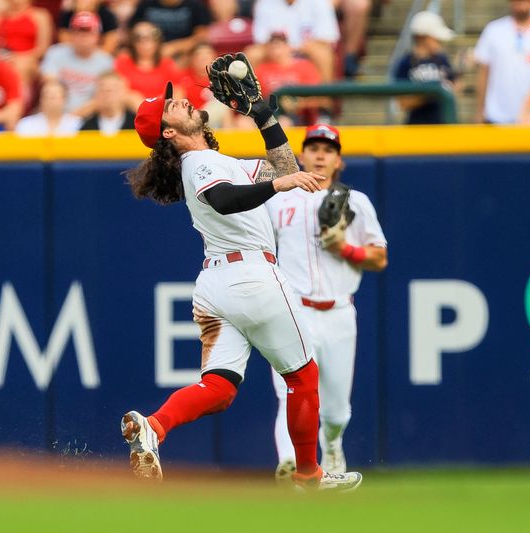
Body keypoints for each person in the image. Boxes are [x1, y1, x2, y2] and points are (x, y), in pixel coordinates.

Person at [120, 70, 362, 491]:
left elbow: (287, 168)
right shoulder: (197, 163)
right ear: (169, 132)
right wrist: (279, 184)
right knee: (302, 377)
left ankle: (154, 427)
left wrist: (262, 113)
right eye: (170, 107)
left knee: (220, 387)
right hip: (252, 276)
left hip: (217, 286)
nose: (179, 101)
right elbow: (225, 199)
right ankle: (309, 475)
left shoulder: (217, 161)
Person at [265, 123, 387, 480]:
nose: (320, 154)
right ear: (301, 156)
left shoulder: (356, 201)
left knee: (336, 412)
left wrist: (345, 248)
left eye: (328, 149)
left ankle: (331, 445)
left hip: (338, 313)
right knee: (291, 393)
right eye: (313, 148)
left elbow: (380, 257)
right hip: (293, 312)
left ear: (338, 162)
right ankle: (290, 462)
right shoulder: (280, 200)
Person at [474, 0, 530, 124]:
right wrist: (480, 111)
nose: (521, 2)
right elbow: (484, 73)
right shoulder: (493, 30)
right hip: (497, 118)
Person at [40, 11, 114, 116]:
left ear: (97, 36)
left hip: (90, 117)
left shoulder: (106, 61)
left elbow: (103, 95)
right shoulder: (55, 52)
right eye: (78, 31)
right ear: (71, 34)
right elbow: (50, 83)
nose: (83, 36)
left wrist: (75, 116)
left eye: (88, 31)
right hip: (57, 114)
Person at [392, 11, 457, 125]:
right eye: (436, 39)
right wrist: (432, 92)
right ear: (422, 37)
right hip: (417, 127)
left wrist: (461, 70)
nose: (440, 43)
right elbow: (402, 102)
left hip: (443, 126)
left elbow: (454, 87)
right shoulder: (405, 63)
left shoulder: (442, 60)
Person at [249, 0, 339, 82]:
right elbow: (262, 40)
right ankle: (252, 97)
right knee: (253, 54)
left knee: (323, 54)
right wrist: (280, 48)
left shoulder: (319, 2)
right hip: (275, 48)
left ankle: (324, 97)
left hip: (305, 49)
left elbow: (326, 38)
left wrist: (296, 47)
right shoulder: (264, 3)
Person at [255, 31, 322, 126]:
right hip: (268, 112)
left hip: (298, 116)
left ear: (288, 47)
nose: (276, 49)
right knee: (243, 123)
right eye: (272, 46)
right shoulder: (261, 68)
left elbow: (319, 99)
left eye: (279, 45)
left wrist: (298, 104)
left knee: (282, 123)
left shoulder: (304, 66)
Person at [0, 0, 52, 91]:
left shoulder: (40, 16)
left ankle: (17, 100)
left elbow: (42, 49)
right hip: (0, 58)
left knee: (21, 65)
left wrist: (19, 58)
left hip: (28, 60)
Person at [115, 21, 181, 107]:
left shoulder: (167, 63)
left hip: (161, 111)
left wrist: (159, 103)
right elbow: (120, 90)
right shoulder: (123, 62)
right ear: (133, 42)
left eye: (149, 39)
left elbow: (179, 90)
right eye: (138, 39)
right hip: (132, 112)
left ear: (157, 42)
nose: (144, 44)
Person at [127, 0, 212, 61]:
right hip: (150, 48)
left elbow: (201, 37)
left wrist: (174, 47)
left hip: (183, 52)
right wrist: (154, 47)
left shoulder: (194, 5)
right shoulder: (146, 4)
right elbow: (132, 31)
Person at [15, 78, 81, 136]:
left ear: (65, 98)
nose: (51, 98)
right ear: (41, 99)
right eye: (48, 95)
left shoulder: (77, 125)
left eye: (56, 95)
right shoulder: (26, 124)